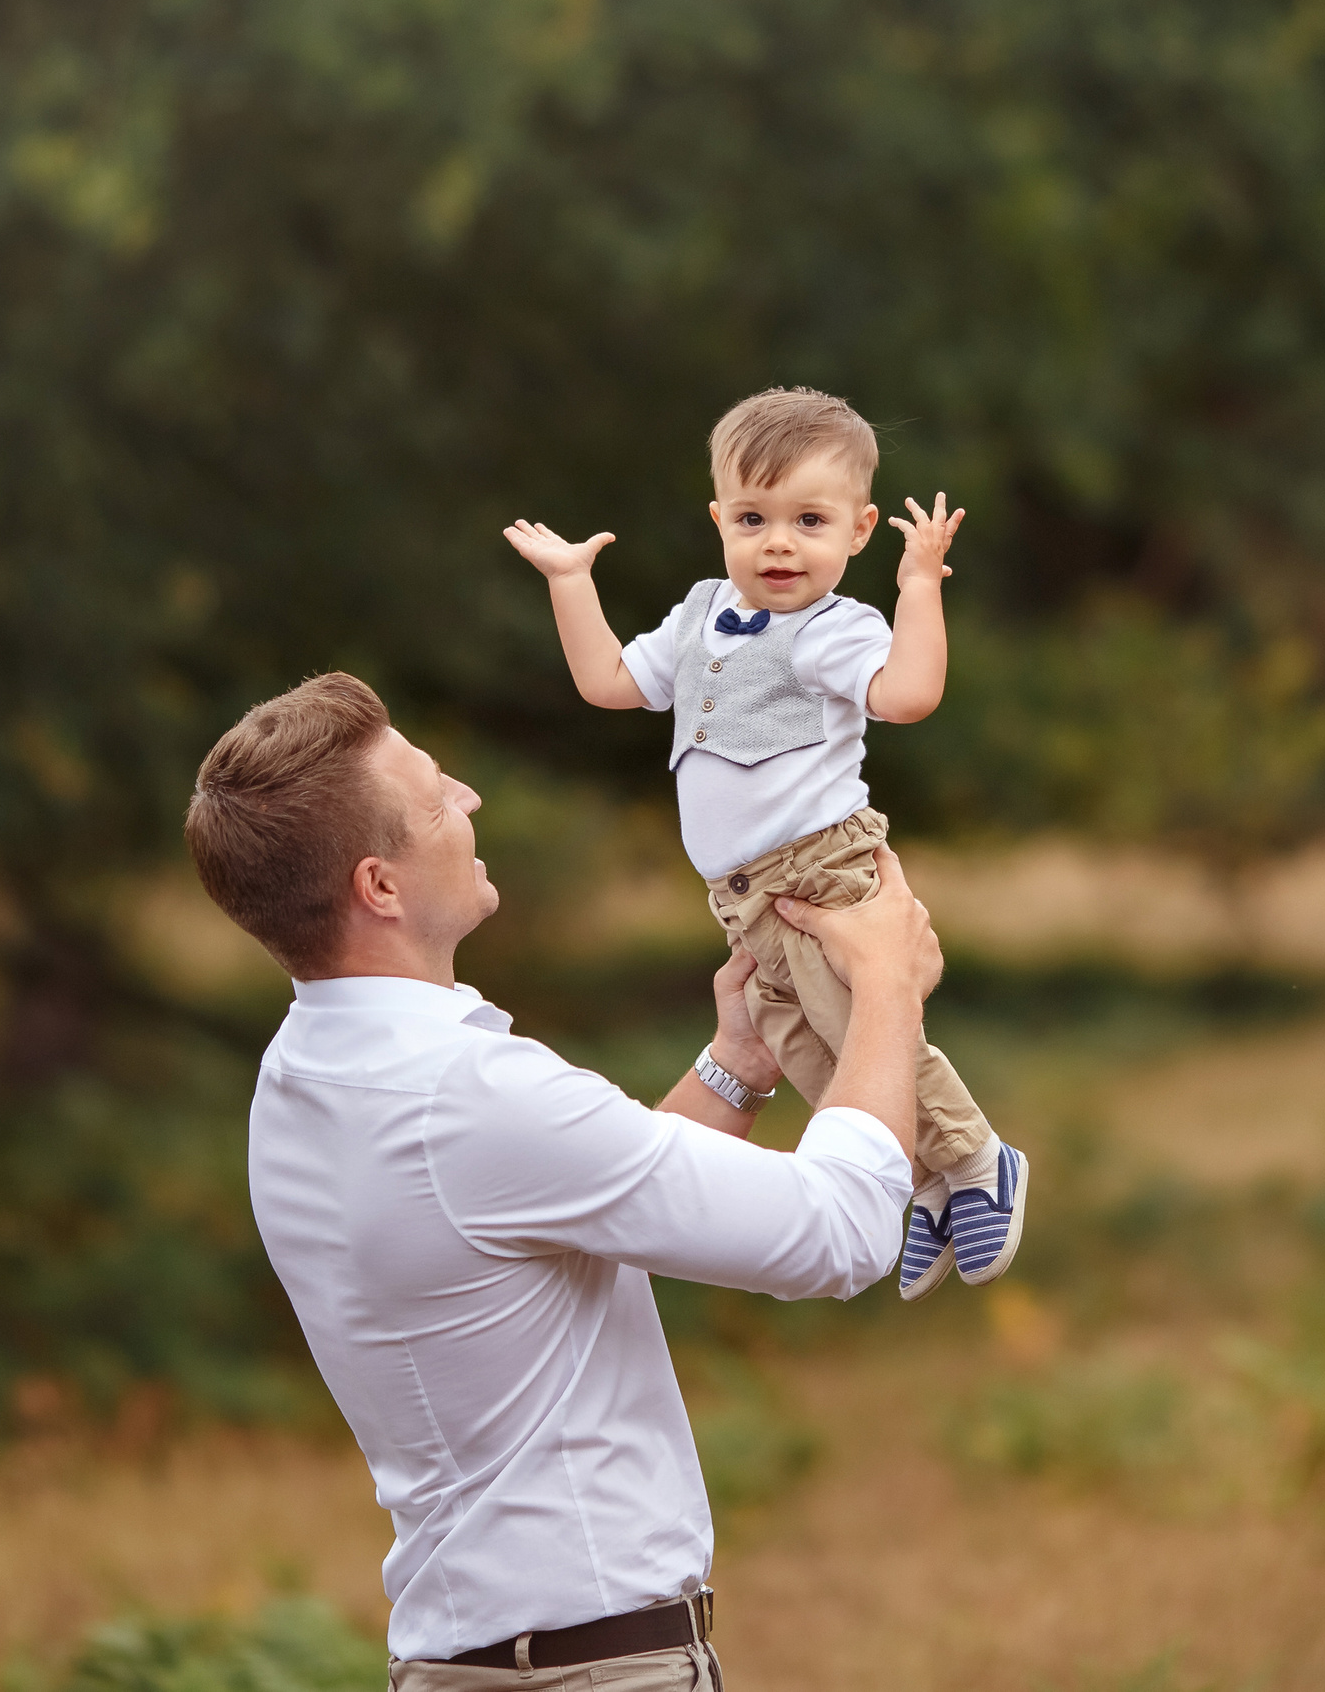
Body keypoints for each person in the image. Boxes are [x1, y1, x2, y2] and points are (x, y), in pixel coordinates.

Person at [185, 672, 941, 1690]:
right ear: (380, 887)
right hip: (592, 1672)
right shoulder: (471, 1093)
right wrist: (889, 985)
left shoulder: (298, 1081)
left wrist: (737, 1063)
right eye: (434, 793)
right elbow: (834, 1235)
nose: (468, 799)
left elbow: (571, 1218)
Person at [501, 386, 1026, 1299]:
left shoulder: (833, 629)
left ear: (859, 531)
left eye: (808, 520)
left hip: (819, 869)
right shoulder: (701, 614)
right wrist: (570, 582)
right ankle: (924, 1178)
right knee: (803, 1044)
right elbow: (610, 682)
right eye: (753, 517)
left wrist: (918, 588)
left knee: (863, 1020)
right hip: (744, 898)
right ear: (718, 520)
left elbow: (905, 697)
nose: (779, 542)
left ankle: (980, 1158)